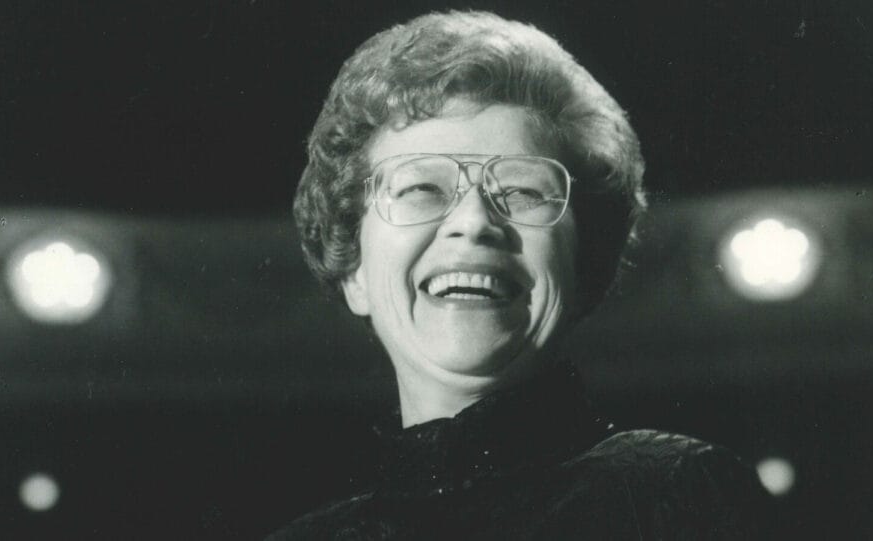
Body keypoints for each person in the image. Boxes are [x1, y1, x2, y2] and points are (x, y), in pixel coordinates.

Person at [270, 10, 771, 540]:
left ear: (583, 264)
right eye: (422, 188)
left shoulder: (676, 494)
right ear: (353, 270)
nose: (473, 223)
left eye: (523, 192)